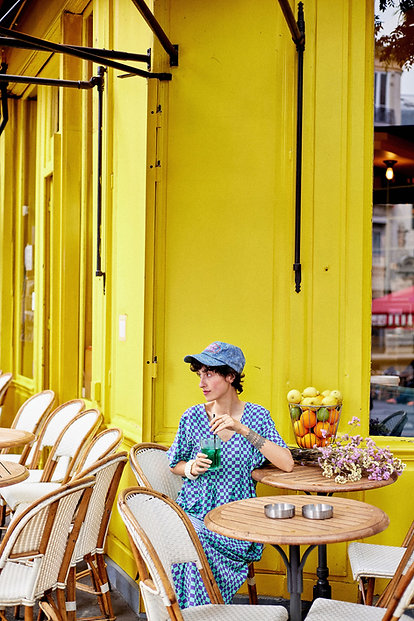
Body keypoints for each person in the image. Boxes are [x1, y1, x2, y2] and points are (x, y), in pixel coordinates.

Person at [167, 341, 293, 608]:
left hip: (235, 518)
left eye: (209, 374)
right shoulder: (192, 417)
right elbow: (174, 463)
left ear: (230, 376)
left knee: (195, 543)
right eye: (199, 374)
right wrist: (189, 468)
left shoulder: (257, 417)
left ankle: (196, 613)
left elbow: (286, 463)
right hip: (193, 510)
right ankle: (198, 613)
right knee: (189, 537)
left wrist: (242, 429)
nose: (202, 382)